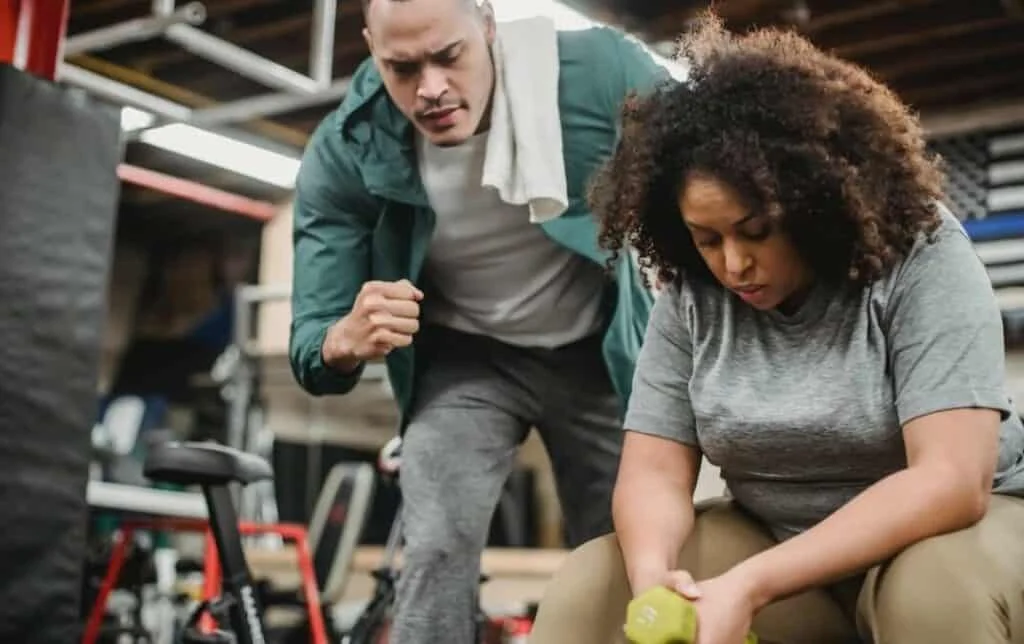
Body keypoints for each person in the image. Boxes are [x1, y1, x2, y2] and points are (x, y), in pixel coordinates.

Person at [528, 12, 1024, 644]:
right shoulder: (692, 292)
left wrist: (752, 584)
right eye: (707, 239)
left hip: (960, 537)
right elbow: (653, 473)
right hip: (781, 544)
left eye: (756, 231)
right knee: (591, 588)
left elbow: (951, 481)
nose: (733, 263)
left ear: (815, 206)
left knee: (929, 594)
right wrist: (654, 579)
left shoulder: (921, 252)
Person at [287, 0, 671, 641]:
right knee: (436, 541)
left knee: (624, 550)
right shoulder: (349, 147)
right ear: (370, 48)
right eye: (401, 66)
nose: (430, 88)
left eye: (449, 56)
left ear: (488, 26)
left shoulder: (600, 75)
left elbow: (719, 170)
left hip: (595, 352)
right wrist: (343, 341)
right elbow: (313, 344)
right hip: (467, 359)